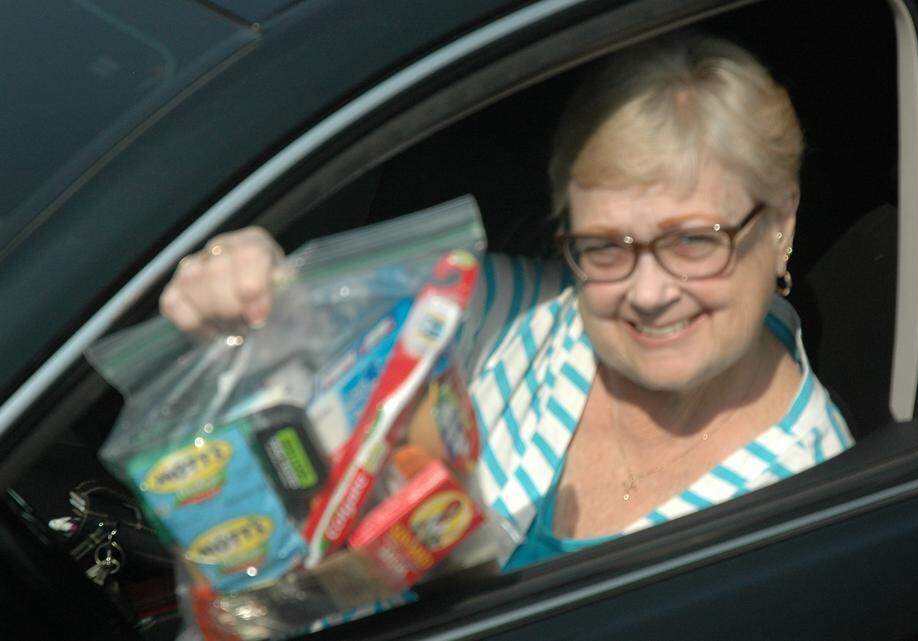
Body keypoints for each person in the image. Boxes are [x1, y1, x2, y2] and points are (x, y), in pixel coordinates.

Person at [161, 34, 853, 570]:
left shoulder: (809, 511)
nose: (647, 293)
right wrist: (244, 281)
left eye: (695, 242)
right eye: (606, 246)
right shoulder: (536, 308)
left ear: (780, 224)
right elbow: (304, 320)